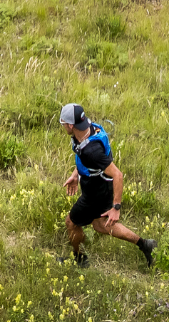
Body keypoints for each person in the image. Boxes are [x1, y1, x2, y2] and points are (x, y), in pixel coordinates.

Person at [60, 102, 155, 267]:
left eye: (63, 123)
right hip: (102, 186)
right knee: (100, 224)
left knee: (71, 222)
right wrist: (76, 175)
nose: (62, 127)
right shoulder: (90, 129)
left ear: (70, 125)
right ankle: (145, 244)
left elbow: (118, 175)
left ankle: (79, 259)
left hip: (95, 193)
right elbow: (84, 157)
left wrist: (116, 208)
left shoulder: (92, 151)